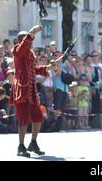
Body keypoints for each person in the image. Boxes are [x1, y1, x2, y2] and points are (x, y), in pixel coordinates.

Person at [10, 25, 61, 157]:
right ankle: (20, 146)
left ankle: (33, 142)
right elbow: (23, 45)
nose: (30, 42)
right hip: (22, 88)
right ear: (21, 41)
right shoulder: (17, 50)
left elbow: (34, 69)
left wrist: (49, 67)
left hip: (32, 90)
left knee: (38, 116)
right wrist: (32, 32)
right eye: (28, 40)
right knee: (23, 118)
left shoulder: (30, 54)